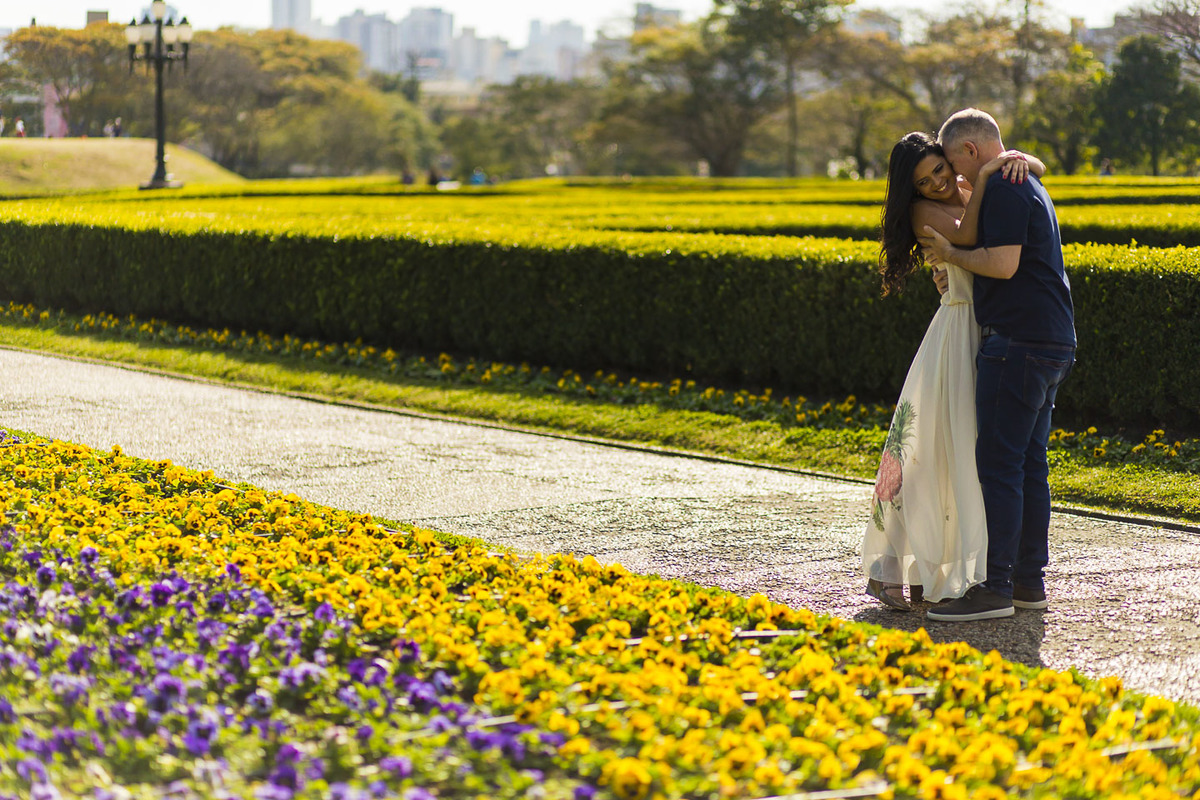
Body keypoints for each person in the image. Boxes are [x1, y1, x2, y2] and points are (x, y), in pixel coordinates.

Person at [863, 131, 1044, 611]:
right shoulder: (928, 212)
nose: (938, 183)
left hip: (986, 331)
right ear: (913, 192)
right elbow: (967, 235)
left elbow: (1029, 176)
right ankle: (888, 568)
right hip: (957, 328)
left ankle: (942, 569)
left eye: (940, 169)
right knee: (929, 451)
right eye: (924, 182)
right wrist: (984, 177)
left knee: (966, 457)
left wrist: (1016, 162)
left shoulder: (972, 187)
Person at [922, 108, 1076, 622]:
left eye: (954, 165)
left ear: (970, 149)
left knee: (1000, 465)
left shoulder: (1009, 185)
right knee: (1029, 464)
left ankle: (996, 587)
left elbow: (1004, 263)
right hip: (1050, 340)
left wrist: (949, 253)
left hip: (1018, 343)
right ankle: (1029, 583)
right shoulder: (1023, 177)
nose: (957, 178)